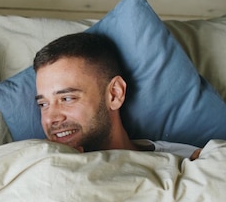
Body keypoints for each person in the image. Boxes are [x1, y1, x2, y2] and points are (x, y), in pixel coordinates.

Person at [33, 32, 202, 160]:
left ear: (114, 94)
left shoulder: (189, 162)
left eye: (67, 99)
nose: (51, 118)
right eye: (43, 104)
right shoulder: (32, 166)